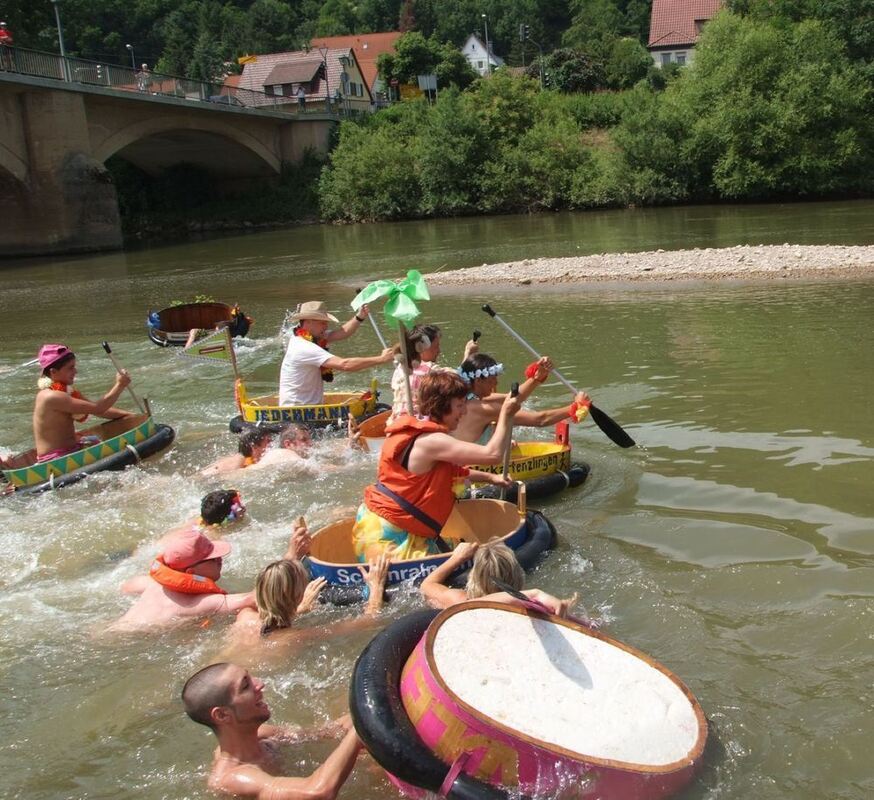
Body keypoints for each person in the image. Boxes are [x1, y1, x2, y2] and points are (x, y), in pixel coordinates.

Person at [353, 371, 520, 562]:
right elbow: (493, 454)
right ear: (441, 405)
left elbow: (453, 472)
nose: (464, 411)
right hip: (388, 534)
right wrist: (505, 413)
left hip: (398, 525)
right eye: (459, 405)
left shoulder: (425, 434)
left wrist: (491, 478)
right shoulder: (432, 441)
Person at [182, 662, 364, 798]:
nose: (259, 684)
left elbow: (325, 732)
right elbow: (316, 792)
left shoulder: (263, 735)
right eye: (245, 686)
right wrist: (359, 731)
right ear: (222, 715)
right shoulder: (232, 778)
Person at [225, 550, 391, 657]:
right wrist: (376, 586)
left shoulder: (245, 614)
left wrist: (299, 609)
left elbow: (270, 623)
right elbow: (370, 621)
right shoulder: (291, 638)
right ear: (297, 596)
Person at [110, 529, 256, 630]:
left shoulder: (152, 584)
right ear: (191, 572)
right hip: (129, 641)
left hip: (110, 628)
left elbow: (126, 587)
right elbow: (252, 599)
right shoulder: (200, 602)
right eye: (213, 559)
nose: (220, 559)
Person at [453, 352, 592, 444]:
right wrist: (575, 407)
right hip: (469, 472)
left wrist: (537, 377)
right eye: (493, 379)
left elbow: (512, 397)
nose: (496, 383)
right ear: (478, 381)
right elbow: (540, 420)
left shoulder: (463, 398)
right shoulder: (483, 408)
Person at [279, 301, 395, 407]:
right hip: (297, 411)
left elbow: (342, 333)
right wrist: (381, 359)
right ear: (308, 322)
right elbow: (345, 364)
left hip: (311, 408)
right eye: (322, 323)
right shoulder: (304, 347)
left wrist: (359, 317)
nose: (326, 326)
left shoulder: (313, 337)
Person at [32, 343, 134, 462]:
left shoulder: (66, 391)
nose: (75, 371)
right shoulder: (51, 396)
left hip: (71, 449)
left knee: (95, 441)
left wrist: (128, 415)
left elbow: (100, 411)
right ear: (53, 372)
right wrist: (120, 385)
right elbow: (98, 408)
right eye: (70, 368)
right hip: (56, 459)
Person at [421, 540, 577, 616]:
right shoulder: (532, 611)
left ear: (473, 577)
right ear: (518, 575)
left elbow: (427, 585)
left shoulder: (460, 601)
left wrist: (457, 558)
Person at [387, 324, 478, 422]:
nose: (439, 351)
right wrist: (468, 353)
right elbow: (460, 380)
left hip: (394, 421)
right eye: (436, 346)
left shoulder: (401, 367)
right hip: (416, 424)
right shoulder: (429, 370)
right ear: (422, 347)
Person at [201, 429, 273, 476]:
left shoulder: (245, 459)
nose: (272, 444)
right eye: (268, 441)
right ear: (254, 447)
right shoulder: (238, 461)